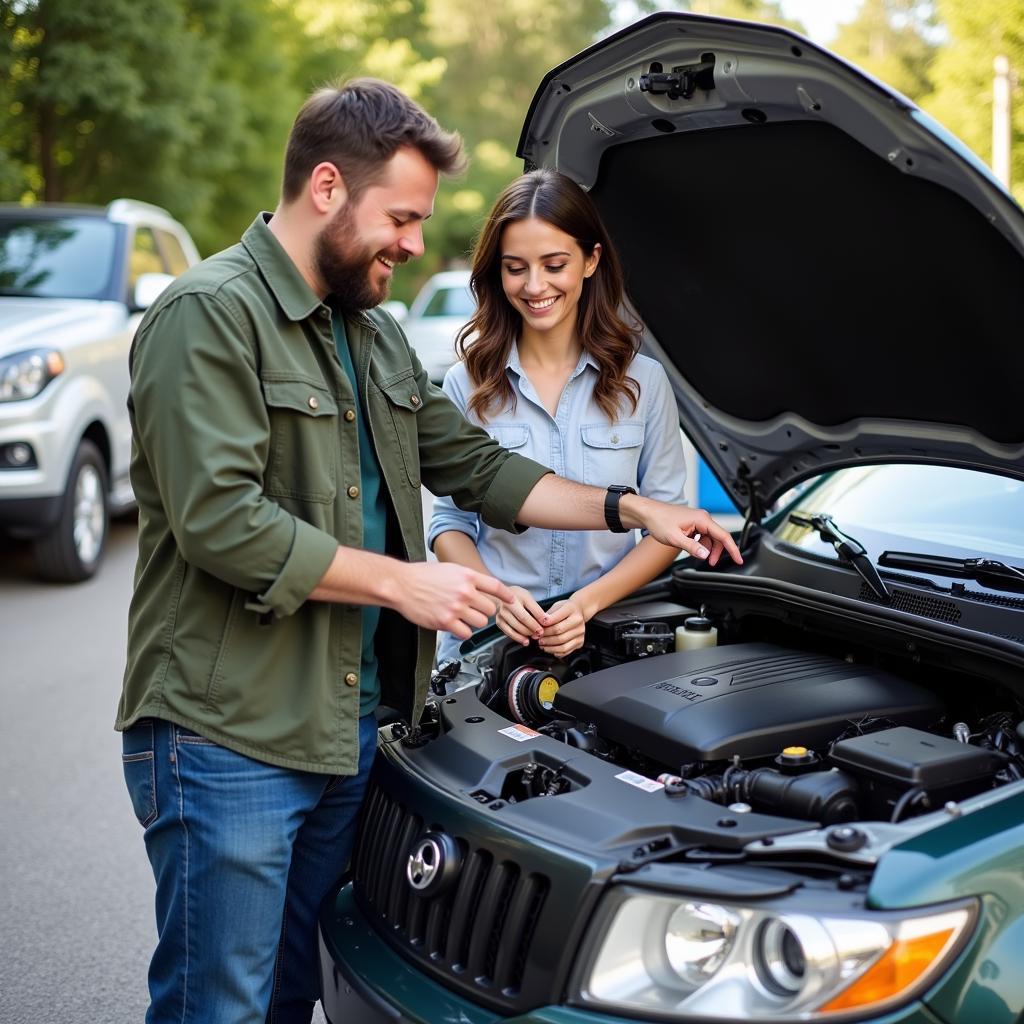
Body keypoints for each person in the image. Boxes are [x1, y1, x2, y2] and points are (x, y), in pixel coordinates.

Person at [117, 79, 742, 1024]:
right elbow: (220, 521)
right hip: (227, 736)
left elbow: (481, 468)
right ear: (328, 187)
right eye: (402, 219)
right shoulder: (207, 314)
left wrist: (634, 508)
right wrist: (408, 582)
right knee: (222, 1007)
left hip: (350, 728)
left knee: (293, 995)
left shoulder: (371, 336)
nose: (414, 244)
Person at [430, 170, 689, 662]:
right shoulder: (466, 382)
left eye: (554, 265)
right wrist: (495, 597)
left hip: (605, 638)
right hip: (487, 642)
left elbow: (666, 525)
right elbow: (449, 522)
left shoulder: (645, 382)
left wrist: (585, 605)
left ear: (591, 261)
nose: (534, 286)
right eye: (515, 267)